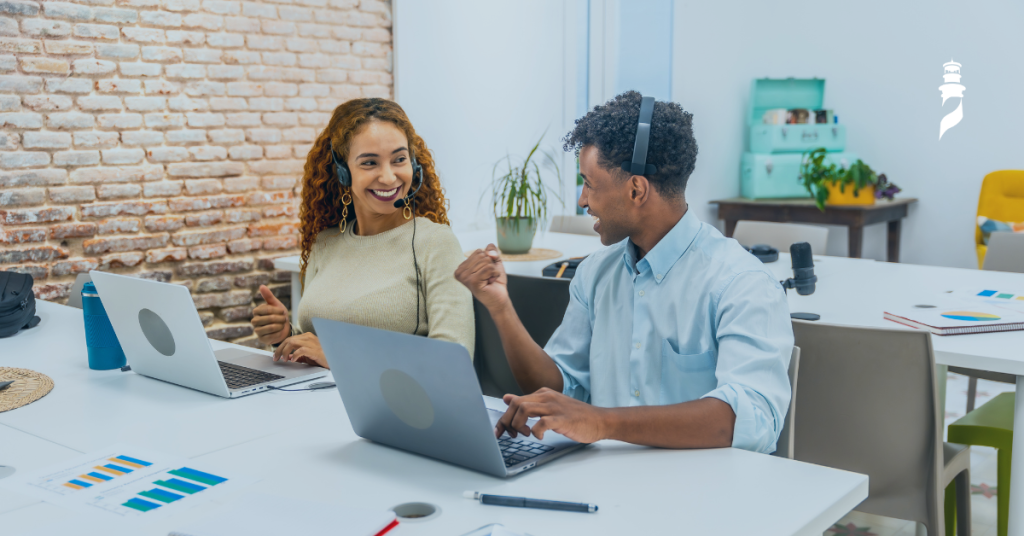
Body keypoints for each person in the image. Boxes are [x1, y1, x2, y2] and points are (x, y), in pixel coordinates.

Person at [455, 91, 793, 454]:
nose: (583, 201)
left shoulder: (740, 282)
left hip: (702, 497)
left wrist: (601, 422)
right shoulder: (596, 273)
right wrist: (500, 308)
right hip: (605, 486)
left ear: (636, 189)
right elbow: (558, 387)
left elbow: (750, 420)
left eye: (590, 184)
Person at [252, 98, 474, 368]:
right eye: (370, 163)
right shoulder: (325, 242)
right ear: (343, 172)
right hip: (311, 400)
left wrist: (340, 356)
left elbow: (451, 362)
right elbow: (315, 348)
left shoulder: (436, 244)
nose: (389, 177)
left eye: (399, 159)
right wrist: (284, 335)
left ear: (414, 166)